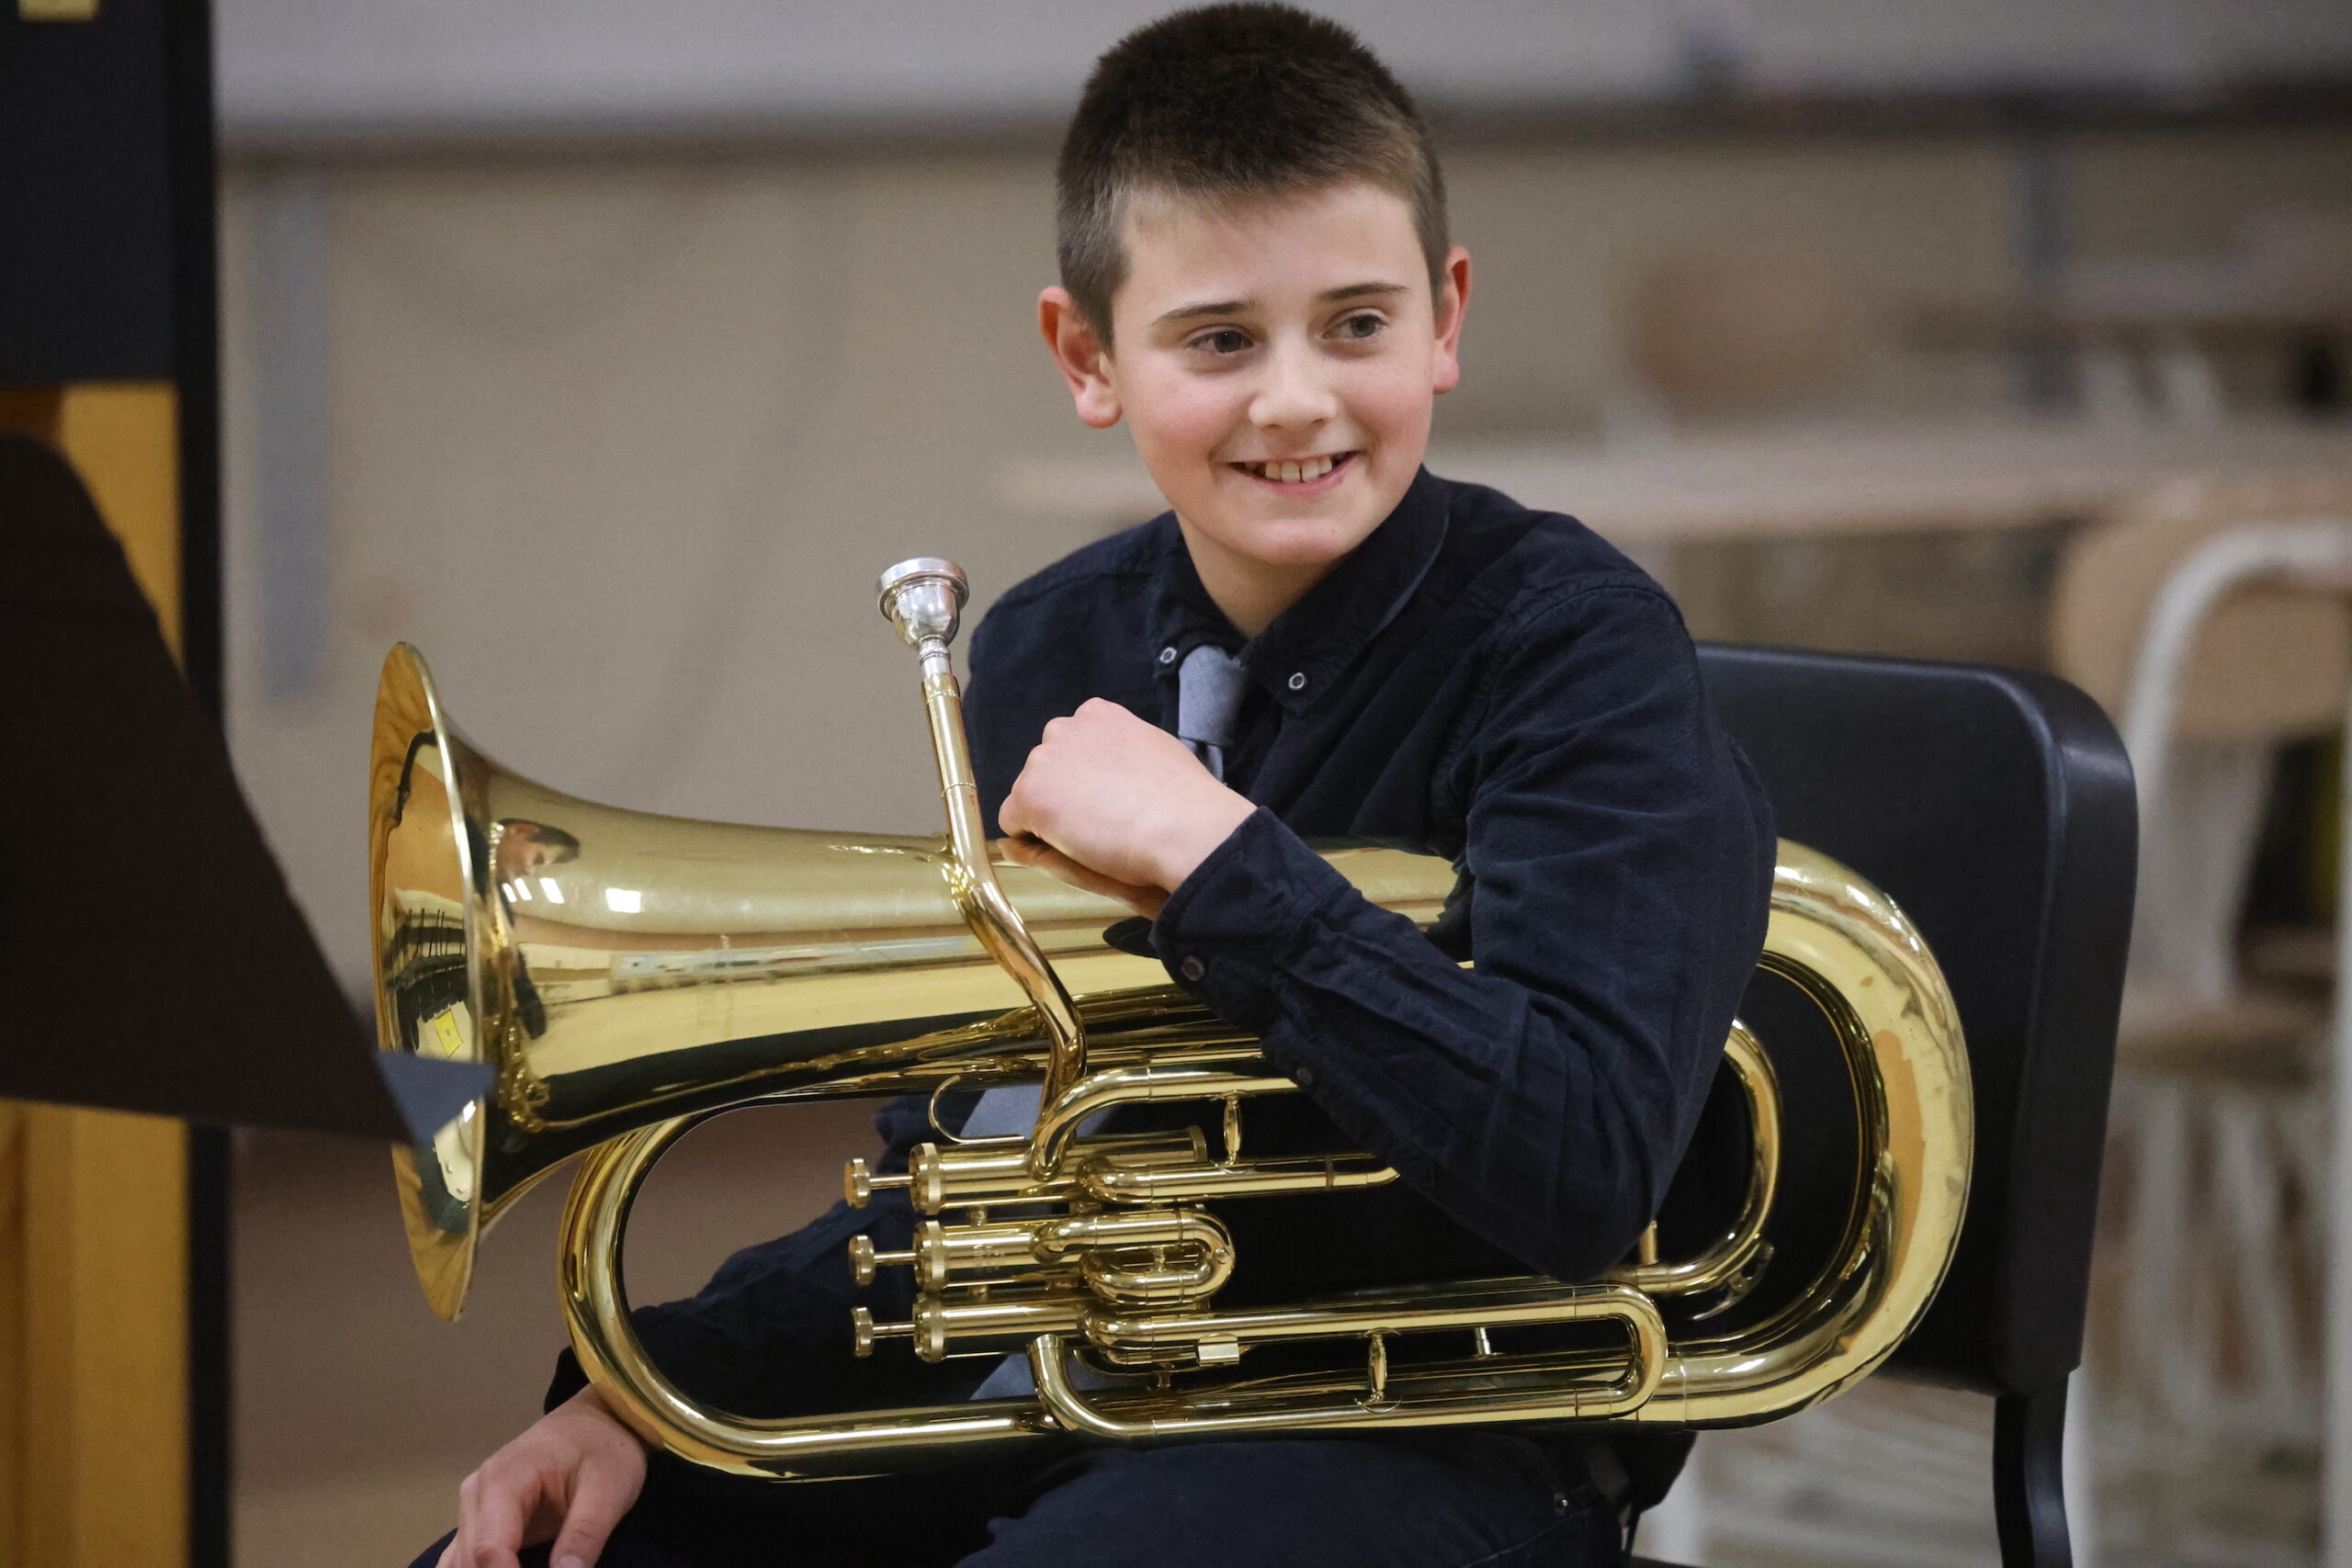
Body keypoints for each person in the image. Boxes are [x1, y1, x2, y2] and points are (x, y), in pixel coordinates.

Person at [414, 7, 1773, 1566]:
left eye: (1356, 324)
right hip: (1102, 1392)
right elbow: (983, 1164)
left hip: (1447, 1430)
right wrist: (649, 1400)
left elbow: (1586, 1160)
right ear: (1088, 357)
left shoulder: (1572, 645)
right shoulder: (1056, 646)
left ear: (1444, 319)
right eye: (1219, 340)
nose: (1294, 398)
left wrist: (1223, 866)